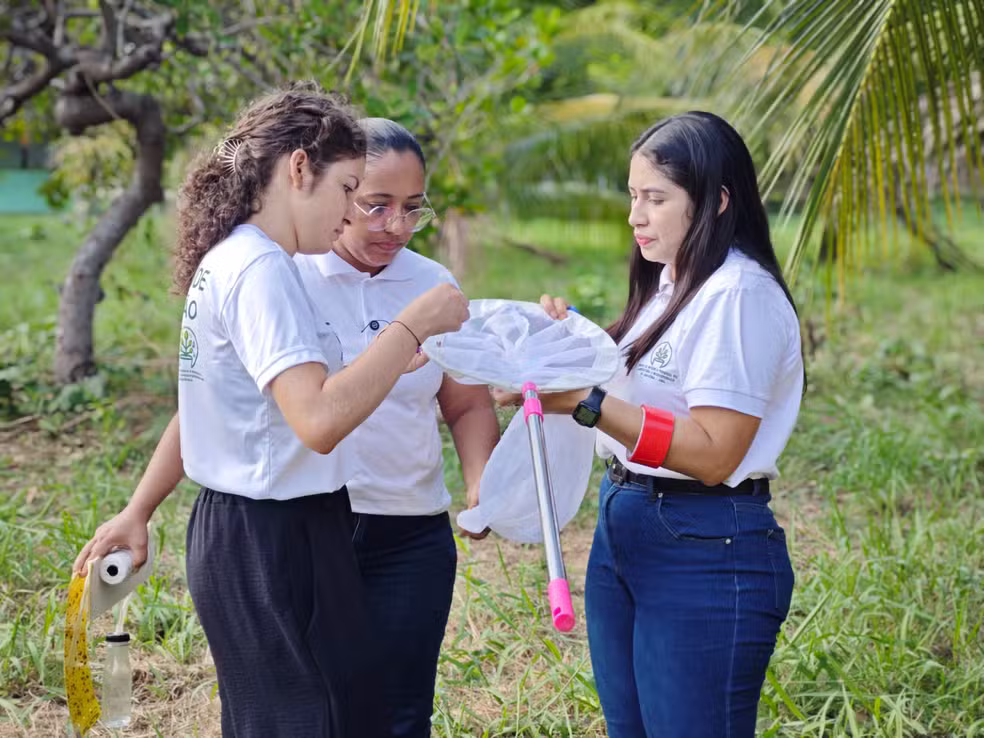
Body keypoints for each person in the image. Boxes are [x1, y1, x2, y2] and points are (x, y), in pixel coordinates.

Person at [72, 83, 469, 738]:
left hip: (252, 529)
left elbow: (232, 405)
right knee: (315, 720)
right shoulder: (264, 273)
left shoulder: (235, 260)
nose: (348, 215)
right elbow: (316, 421)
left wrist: (138, 510)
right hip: (277, 534)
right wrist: (410, 326)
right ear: (298, 169)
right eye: (348, 190)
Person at [515, 111, 803, 737]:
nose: (635, 216)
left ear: (717, 202)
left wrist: (587, 401)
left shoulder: (737, 296)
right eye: (632, 196)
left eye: (655, 198)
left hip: (702, 543)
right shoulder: (671, 284)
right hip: (629, 522)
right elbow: (639, 392)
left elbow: (715, 453)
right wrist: (561, 342)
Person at [293, 118, 500, 738]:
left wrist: (479, 482)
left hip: (411, 535)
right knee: (317, 710)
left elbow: (466, 403)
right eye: (376, 206)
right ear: (340, 190)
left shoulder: (434, 285)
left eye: (413, 208)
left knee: (402, 714)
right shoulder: (291, 277)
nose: (397, 227)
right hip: (312, 527)